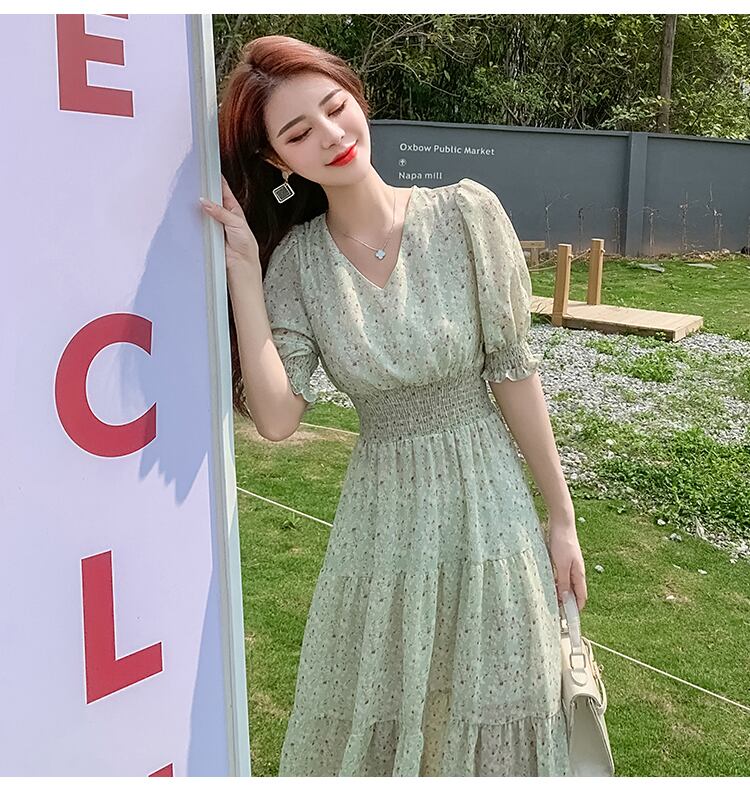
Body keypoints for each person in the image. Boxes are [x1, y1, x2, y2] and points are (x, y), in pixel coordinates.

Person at [201, 34, 587, 777]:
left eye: (334, 107)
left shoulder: (465, 215)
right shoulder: (298, 264)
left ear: (357, 96)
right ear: (278, 162)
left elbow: (513, 373)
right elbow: (278, 418)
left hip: (489, 505)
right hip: (382, 523)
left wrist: (561, 518)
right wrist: (245, 270)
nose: (330, 135)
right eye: (298, 133)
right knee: (390, 710)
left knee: (503, 700)